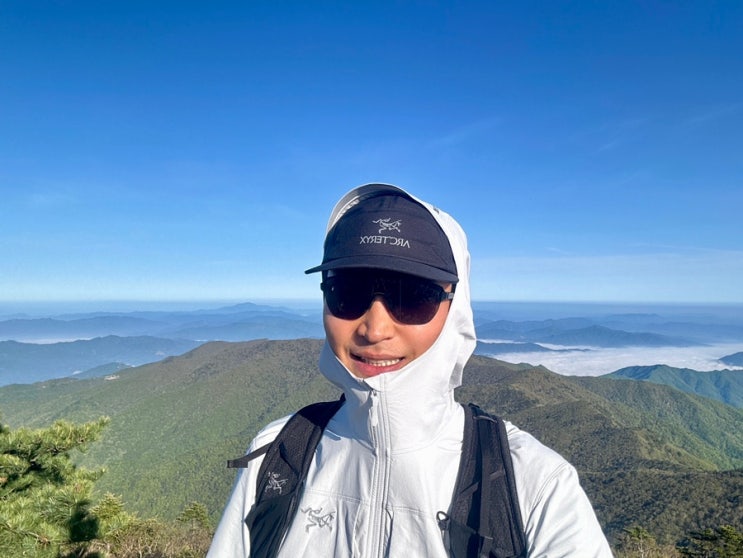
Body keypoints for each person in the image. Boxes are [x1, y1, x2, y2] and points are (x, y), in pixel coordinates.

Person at [207, 183, 613, 557]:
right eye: (347, 291)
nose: (374, 329)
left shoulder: (535, 486)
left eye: (414, 296)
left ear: (456, 308)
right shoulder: (278, 454)